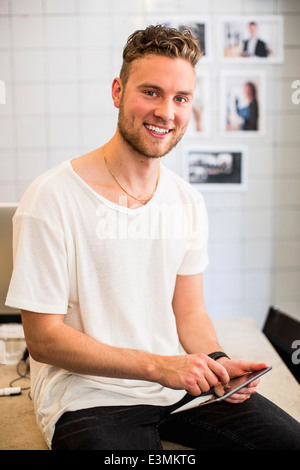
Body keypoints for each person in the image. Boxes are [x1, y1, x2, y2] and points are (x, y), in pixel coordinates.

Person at [6, 25, 300, 451]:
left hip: (181, 392)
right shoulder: (51, 197)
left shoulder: (187, 201)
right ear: (117, 91)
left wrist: (216, 364)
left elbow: (190, 312)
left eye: (181, 98)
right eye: (151, 92)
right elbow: (43, 338)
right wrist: (160, 367)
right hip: (91, 399)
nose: (167, 112)